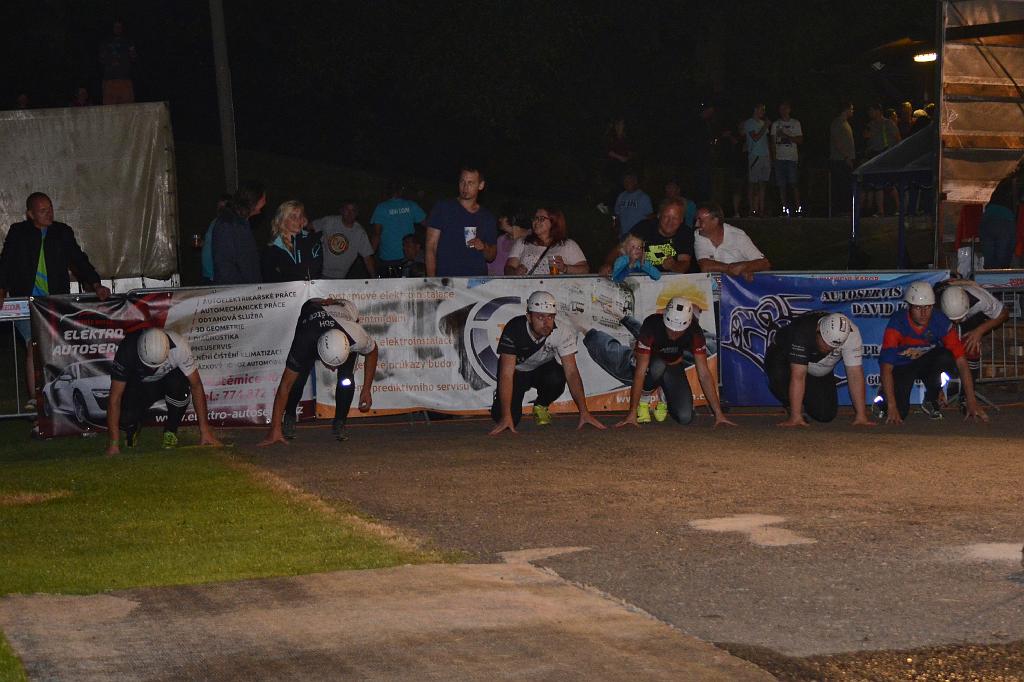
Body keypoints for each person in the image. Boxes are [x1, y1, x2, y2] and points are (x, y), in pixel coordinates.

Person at [0, 192, 110, 408]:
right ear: (30, 214)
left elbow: (79, 260)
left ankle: (61, 399)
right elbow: (6, 262)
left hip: (55, 302)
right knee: (33, 346)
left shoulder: (62, 232)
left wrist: (96, 284)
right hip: (27, 301)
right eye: (43, 211)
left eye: (50, 208)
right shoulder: (18, 232)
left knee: (57, 348)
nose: (49, 213)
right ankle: (36, 399)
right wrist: (1, 289)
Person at [260, 299, 378, 445]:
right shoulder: (305, 340)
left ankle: (340, 421)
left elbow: (373, 351)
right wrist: (275, 428)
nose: (333, 369)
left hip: (344, 322)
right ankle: (289, 415)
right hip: (313, 323)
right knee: (298, 379)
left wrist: (366, 389)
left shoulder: (356, 336)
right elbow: (285, 386)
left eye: (336, 365)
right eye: (330, 365)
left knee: (346, 380)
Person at [489, 291, 606, 435]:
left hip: (541, 369)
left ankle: (541, 405)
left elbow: (572, 373)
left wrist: (584, 412)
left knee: (557, 377)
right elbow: (506, 374)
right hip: (517, 372)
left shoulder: (562, 331)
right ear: (529, 317)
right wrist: (506, 416)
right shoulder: (514, 328)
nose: (546, 323)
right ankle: (501, 402)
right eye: (540, 317)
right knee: (503, 418)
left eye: (550, 317)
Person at [875, 281, 987, 424]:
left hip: (926, 363)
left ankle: (931, 396)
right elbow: (886, 367)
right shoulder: (898, 322)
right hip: (902, 366)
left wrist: (971, 400)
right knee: (900, 412)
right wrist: (892, 405)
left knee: (947, 357)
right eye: (918, 307)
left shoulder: (940, 321)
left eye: (927, 307)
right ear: (909, 306)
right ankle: (883, 398)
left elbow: (961, 360)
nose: (923, 313)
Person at [614, 298, 733, 427]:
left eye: (679, 331)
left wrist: (718, 414)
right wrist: (631, 412)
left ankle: (664, 394)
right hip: (650, 365)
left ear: (688, 325)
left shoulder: (695, 332)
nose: (674, 334)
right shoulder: (651, 325)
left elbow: (704, 374)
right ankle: (644, 399)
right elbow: (640, 372)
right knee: (658, 365)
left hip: (673, 365)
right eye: (670, 329)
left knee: (685, 417)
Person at [105, 328, 222, 454]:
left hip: (166, 382)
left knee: (180, 385)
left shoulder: (179, 346)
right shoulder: (127, 349)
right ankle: (132, 428)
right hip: (138, 386)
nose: (152, 369)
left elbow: (196, 385)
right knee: (126, 417)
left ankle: (171, 431)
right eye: (148, 365)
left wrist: (205, 431)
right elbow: (115, 398)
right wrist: (114, 443)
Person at [766, 312, 873, 427]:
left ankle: (803, 399)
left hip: (817, 368)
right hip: (786, 360)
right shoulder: (802, 331)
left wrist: (861, 415)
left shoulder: (852, 335)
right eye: (825, 343)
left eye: (833, 347)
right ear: (818, 330)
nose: (828, 349)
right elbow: (798, 376)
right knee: (778, 372)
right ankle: (791, 406)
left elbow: (855, 374)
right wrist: (795, 416)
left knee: (825, 414)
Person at [425, 166, 497, 277]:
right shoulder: (443, 208)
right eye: (462, 182)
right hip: (447, 279)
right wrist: (432, 281)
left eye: (470, 183)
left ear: (481, 185)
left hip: (476, 281)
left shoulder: (487, 217)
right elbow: (431, 246)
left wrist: (483, 247)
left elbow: (491, 256)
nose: (465, 187)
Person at [599, 198, 694, 276]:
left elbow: (684, 263)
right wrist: (608, 264)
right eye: (666, 216)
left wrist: (674, 266)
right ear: (659, 215)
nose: (670, 222)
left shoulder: (685, 233)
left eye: (675, 218)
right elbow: (618, 250)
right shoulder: (644, 228)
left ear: (681, 220)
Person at [693, 203, 770, 280]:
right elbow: (705, 266)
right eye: (696, 220)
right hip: (716, 285)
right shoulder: (699, 235)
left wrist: (746, 267)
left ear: (715, 221)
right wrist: (732, 269)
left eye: (700, 220)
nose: (696, 224)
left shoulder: (737, 235)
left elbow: (764, 263)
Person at [211, 181, 266, 285]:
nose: (265, 202)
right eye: (263, 198)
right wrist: (244, 289)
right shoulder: (227, 224)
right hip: (238, 291)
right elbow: (225, 267)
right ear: (254, 200)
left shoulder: (242, 223)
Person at [505, 208, 588, 275]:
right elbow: (508, 268)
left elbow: (585, 269)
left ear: (553, 222)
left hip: (557, 289)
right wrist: (515, 272)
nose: (536, 222)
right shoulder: (522, 242)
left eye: (541, 219)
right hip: (528, 288)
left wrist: (565, 268)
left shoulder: (568, 244)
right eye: (535, 218)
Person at [370, 180, 426, 277]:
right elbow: (430, 226)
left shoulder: (381, 208)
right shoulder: (411, 205)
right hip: (407, 255)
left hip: (395, 257)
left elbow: (376, 234)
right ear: (401, 191)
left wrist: (370, 254)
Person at [261, 200, 323, 282]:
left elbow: (314, 272)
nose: (298, 220)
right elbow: (269, 278)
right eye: (293, 217)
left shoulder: (312, 240)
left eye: (301, 216)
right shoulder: (272, 248)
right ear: (282, 220)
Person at [313, 202, 377, 279]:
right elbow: (309, 227)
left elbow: (367, 258)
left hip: (340, 277)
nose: (350, 213)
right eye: (347, 210)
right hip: (319, 272)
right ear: (341, 211)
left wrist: (375, 279)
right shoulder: (329, 221)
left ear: (357, 214)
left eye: (353, 210)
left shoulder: (359, 232)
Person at [978, 167, 1022, 269]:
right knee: (1002, 264)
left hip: (987, 219)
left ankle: (989, 278)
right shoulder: (1020, 183)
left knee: (989, 263)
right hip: (1005, 222)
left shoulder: (1006, 180)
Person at [862, 104, 901, 216]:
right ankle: (880, 211)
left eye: (871, 110)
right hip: (874, 156)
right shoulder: (870, 125)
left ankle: (899, 208)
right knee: (877, 184)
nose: (869, 113)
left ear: (878, 111)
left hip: (886, 156)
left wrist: (895, 154)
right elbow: (866, 138)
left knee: (889, 184)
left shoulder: (888, 123)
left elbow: (898, 138)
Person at [770, 101, 803, 216]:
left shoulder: (795, 123)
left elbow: (800, 140)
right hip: (779, 158)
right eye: (781, 109)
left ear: (789, 109)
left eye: (785, 108)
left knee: (794, 184)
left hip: (791, 158)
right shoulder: (775, 124)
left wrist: (787, 136)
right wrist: (774, 158)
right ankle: (784, 209)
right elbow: (772, 142)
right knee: (781, 185)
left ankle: (798, 208)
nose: (783, 111)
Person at [742, 103, 771, 217]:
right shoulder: (749, 123)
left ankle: (761, 209)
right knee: (753, 184)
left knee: (762, 184)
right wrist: (765, 126)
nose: (763, 112)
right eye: (761, 109)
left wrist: (770, 156)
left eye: (764, 110)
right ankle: (752, 209)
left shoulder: (763, 123)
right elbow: (755, 137)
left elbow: (765, 140)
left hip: (765, 156)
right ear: (755, 110)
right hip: (755, 156)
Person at [98, 20, 137, 105]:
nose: (117, 29)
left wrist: (127, 56)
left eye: (119, 27)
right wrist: (110, 60)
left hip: (124, 78)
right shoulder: (106, 42)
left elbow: (133, 57)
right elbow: (101, 59)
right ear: (112, 28)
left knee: (127, 106)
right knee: (109, 107)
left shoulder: (128, 41)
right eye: (116, 27)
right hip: (109, 79)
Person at [829, 101, 856, 215]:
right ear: (846, 110)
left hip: (845, 159)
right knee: (841, 185)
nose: (852, 111)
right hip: (839, 160)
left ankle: (844, 209)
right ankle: (840, 210)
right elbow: (837, 142)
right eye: (851, 109)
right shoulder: (838, 123)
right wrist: (846, 156)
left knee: (846, 185)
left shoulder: (845, 123)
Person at [200, 193, 233, 284]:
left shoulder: (227, 224)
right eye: (219, 206)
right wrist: (203, 243)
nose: (220, 209)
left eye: (222, 207)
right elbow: (211, 242)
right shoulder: (215, 221)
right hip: (207, 273)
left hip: (215, 275)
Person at [490, 205, 530, 276]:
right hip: (497, 281)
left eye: (502, 217)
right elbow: (491, 267)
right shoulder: (501, 240)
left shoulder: (532, 239)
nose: (499, 220)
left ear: (512, 218)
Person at [613, 172, 653, 238]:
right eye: (625, 181)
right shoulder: (621, 196)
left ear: (635, 182)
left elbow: (650, 217)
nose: (627, 183)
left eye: (629, 180)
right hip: (623, 235)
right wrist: (616, 226)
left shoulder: (643, 197)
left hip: (638, 236)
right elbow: (617, 214)